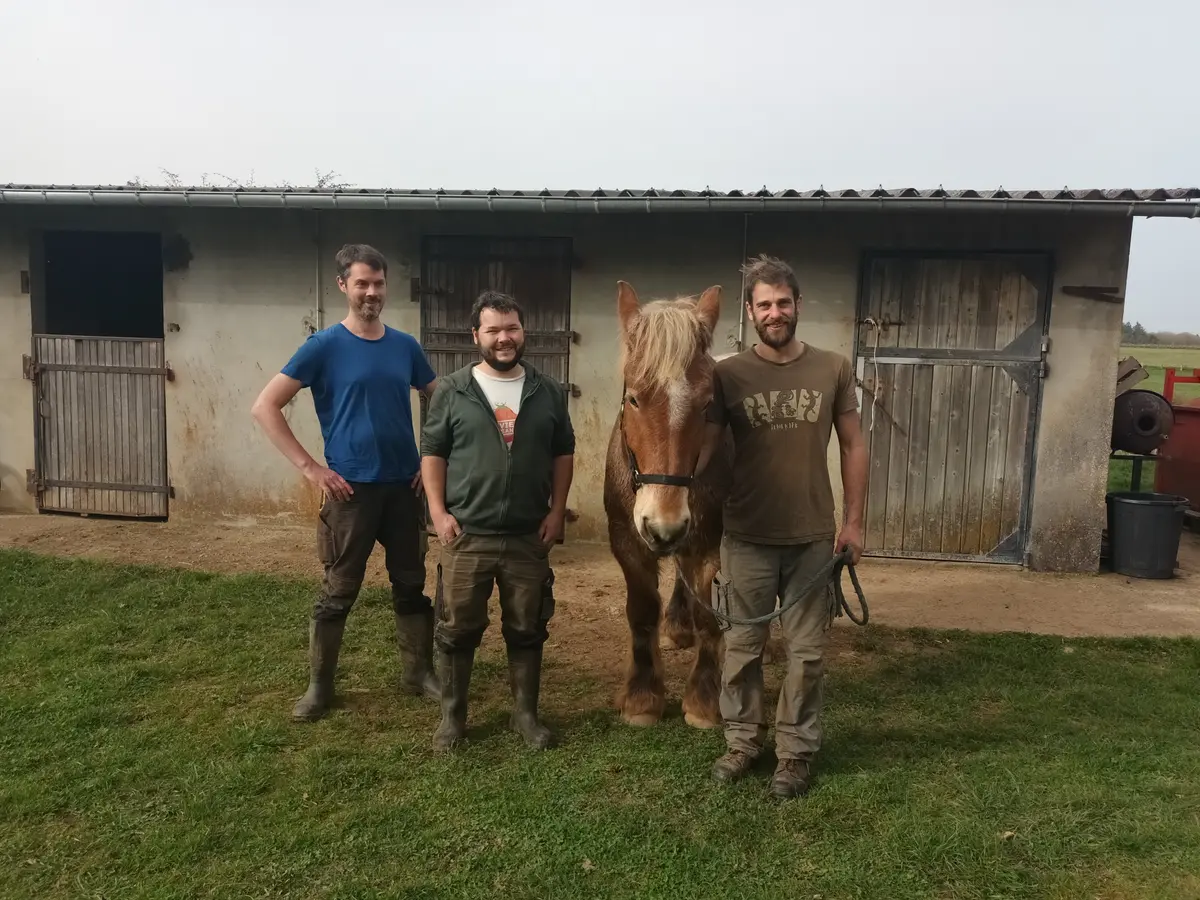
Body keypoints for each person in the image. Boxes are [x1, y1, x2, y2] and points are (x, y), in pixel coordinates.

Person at [701, 253, 868, 799]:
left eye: (783, 303)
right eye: (764, 304)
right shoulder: (726, 375)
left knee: (807, 654)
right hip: (745, 534)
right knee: (741, 648)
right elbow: (698, 447)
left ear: (799, 306)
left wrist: (855, 523)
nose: (775, 312)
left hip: (812, 538)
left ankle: (794, 753)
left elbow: (853, 444)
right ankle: (743, 742)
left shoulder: (833, 368)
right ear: (749, 312)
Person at [251, 242, 441, 722]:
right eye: (362, 283)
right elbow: (265, 406)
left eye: (378, 283)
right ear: (343, 286)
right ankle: (320, 687)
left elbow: (439, 399)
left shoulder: (405, 346)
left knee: (411, 585)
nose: (372, 292)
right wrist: (312, 468)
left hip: (405, 489)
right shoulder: (323, 346)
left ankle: (418, 673)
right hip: (349, 493)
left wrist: (430, 459)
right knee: (338, 590)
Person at [420, 289, 575, 752]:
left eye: (512, 328)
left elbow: (563, 452)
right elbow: (433, 452)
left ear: (523, 331)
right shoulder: (452, 390)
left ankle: (526, 716)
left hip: (528, 536)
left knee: (527, 627)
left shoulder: (547, 391)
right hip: (467, 534)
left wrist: (555, 511)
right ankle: (452, 719)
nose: (504, 338)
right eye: (494, 330)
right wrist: (438, 512)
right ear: (476, 336)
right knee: (456, 628)